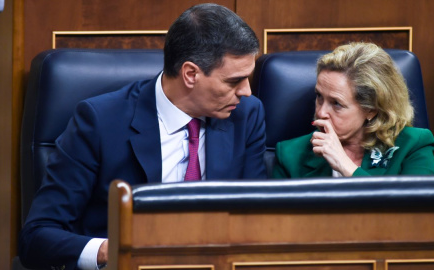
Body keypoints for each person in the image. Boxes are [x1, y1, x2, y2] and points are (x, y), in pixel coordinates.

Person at [19, 3, 266, 270]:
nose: (246, 92)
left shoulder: (246, 115)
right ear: (191, 74)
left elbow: (257, 218)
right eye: (234, 81)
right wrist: (112, 250)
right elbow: (37, 237)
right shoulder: (100, 122)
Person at [272, 42, 434, 179]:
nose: (321, 112)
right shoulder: (290, 155)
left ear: (371, 110)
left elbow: (418, 213)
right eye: (319, 96)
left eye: (336, 103)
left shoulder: (413, 146)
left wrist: (347, 167)